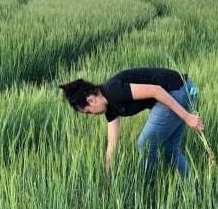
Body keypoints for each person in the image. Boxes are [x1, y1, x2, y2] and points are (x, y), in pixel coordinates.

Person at [58, 67, 204, 180]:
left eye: (88, 112)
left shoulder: (113, 90)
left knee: (145, 144)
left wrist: (187, 117)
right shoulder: (110, 109)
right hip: (183, 90)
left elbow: (156, 90)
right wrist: (108, 177)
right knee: (170, 149)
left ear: (91, 100)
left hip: (177, 91)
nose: (92, 115)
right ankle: (192, 187)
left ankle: (146, 188)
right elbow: (112, 145)